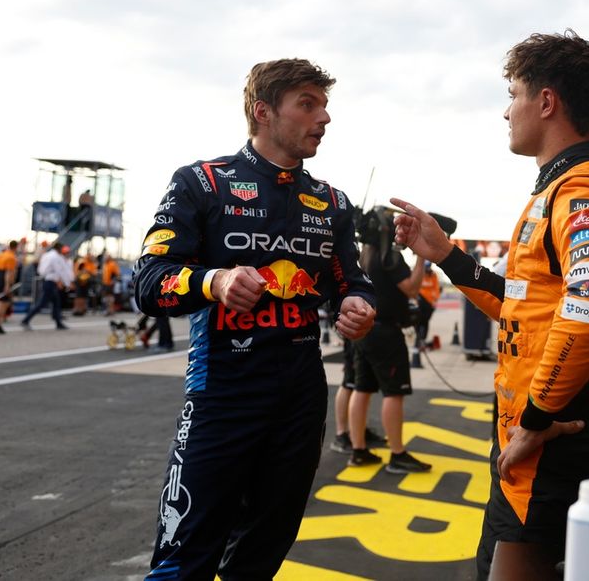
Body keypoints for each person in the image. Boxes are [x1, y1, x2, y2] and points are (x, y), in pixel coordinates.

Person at [391, 30, 589, 579]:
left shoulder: (583, 192)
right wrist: (443, 254)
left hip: (548, 444)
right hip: (528, 440)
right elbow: (521, 308)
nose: (507, 112)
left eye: (513, 94)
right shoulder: (556, 190)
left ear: (546, 101)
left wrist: (536, 419)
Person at [132, 57, 376, 580]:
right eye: (308, 104)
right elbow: (149, 282)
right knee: (185, 553)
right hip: (223, 386)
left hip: (300, 390)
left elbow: (351, 281)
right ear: (264, 112)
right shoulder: (202, 182)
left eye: (325, 105)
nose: (324, 118)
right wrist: (214, 282)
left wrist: (358, 305)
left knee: (264, 549)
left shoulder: (332, 202)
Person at [347, 210, 430, 473]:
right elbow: (413, 289)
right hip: (386, 333)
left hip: (364, 330)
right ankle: (397, 453)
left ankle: (358, 449)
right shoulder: (390, 258)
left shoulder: (363, 256)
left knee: (362, 388)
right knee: (394, 393)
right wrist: (421, 258)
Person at [328, 337, 388, 453]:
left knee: (363, 386)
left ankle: (359, 430)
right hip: (354, 336)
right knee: (349, 383)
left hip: (366, 335)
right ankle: (341, 434)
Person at [20, 242, 73, 330]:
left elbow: (40, 269)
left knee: (56, 302)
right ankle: (25, 320)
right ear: (59, 249)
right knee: (42, 303)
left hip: (47, 280)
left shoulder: (47, 255)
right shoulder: (56, 257)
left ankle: (58, 322)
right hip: (50, 282)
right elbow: (59, 271)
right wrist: (67, 283)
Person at [0, 240, 19, 334]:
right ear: (16, 247)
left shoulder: (1, 255)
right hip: (3, 281)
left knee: (2, 303)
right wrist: (7, 285)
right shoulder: (11, 257)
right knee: (2, 304)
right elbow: (9, 272)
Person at [416, 260, 442, 348]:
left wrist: (435, 300)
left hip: (429, 303)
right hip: (420, 301)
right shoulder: (419, 274)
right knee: (418, 321)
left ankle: (423, 339)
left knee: (425, 321)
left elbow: (436, 288)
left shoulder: (433, 275)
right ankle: (418, 339)